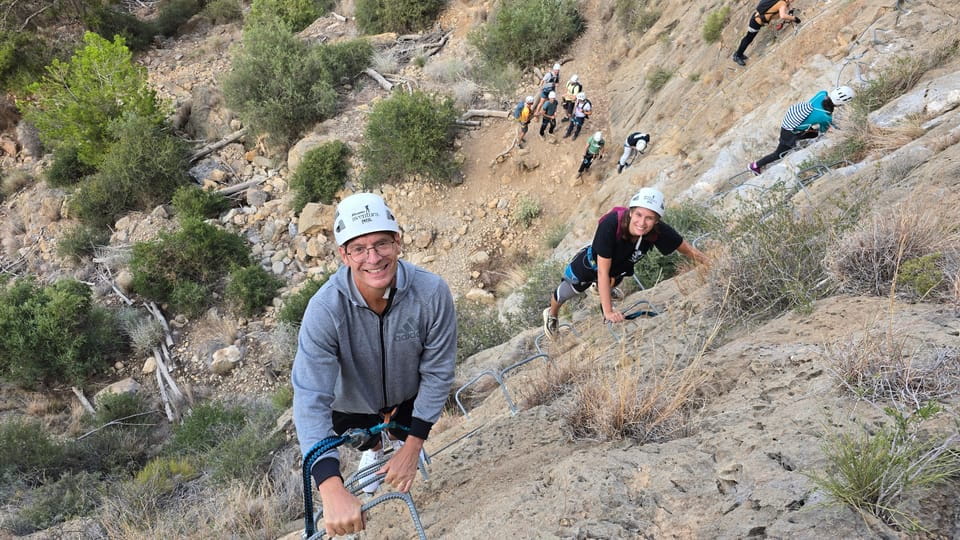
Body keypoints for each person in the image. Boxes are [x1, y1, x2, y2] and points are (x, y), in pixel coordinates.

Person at [292, 193, 457, 538]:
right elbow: (310, 396)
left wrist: (413, 446)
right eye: (359, 249)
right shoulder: (325, 310)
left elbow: (438, 370)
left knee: (402, 433)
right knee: (366, 439)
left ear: (397, 241)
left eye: (381, 243)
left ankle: (397, 442)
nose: (373, 257)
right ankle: (376, 449)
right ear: (344, 255)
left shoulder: (430, 293)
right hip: (352, 404)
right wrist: (330, 487)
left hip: (407, 395)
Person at [542, 188, 709, 337]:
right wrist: (608, 312)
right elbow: (602, 271)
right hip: (592, 264)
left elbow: (684, 248)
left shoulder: (657, 231)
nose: (642, 223)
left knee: (610, 282)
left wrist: (708, 262)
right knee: (566, 292)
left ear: (656, 220)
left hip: (617, 270)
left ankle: (601, 288)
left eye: (649, 218)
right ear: (630, 213)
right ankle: (551, 314)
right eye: (639, 215)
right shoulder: (611, 225)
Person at [749, 86, 855, 174]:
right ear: (840, 102)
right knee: (778, 154)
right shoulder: (826, 117)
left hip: (792, 120)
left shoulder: (822, 94)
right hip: (790, 131)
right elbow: (823, 130)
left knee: (813, 134)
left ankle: (798, 139)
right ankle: (755, 166)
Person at [732, 0, 800, 66]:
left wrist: (790, 11)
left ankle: (739, 53)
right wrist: (794, 18)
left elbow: (787, 7)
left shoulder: (781, 2)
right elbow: (782, 16)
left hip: (756, 19)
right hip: (756, 23)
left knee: (748, 38)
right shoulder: (782, 4)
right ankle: (737, 56)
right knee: (748, 39)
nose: (793, 0)